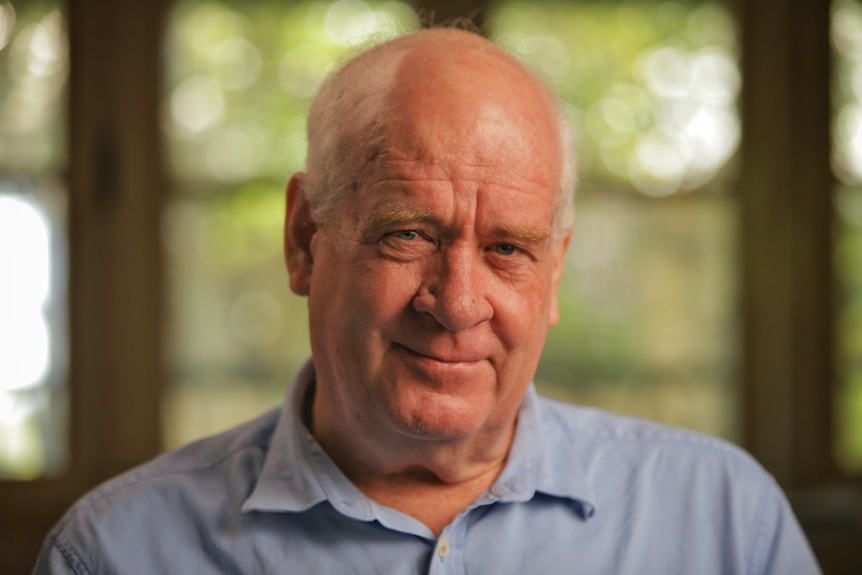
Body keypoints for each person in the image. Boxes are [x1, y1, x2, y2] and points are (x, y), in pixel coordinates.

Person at [34, 28, 821, 574]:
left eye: (509, 248)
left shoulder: (724, 522)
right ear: (306, 237)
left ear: (556, 271)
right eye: (409, 234)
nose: (458, 302)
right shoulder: (113, 552)